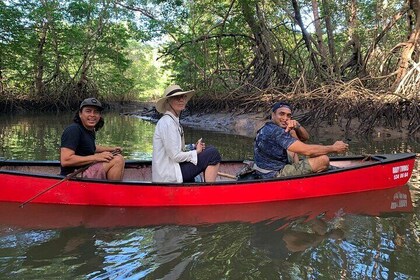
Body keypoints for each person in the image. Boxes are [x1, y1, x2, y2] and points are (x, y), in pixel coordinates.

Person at [253, 101, 349, 178]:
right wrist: (334, 148)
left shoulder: (268, 127)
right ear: (273, 115)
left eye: (288, 115)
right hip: (273, 174)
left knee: (292, 133)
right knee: (323, 160)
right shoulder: (276, 131)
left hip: (266, 168)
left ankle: (300, 168)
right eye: (281, 114)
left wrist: (297, 126)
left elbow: (305, 138)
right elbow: (308, 151)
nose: (285, 118)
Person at [152, 85, 221, 183]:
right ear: (168, 102)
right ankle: (209, 191)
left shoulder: (172, 121)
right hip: (169, 174)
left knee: (208, 149)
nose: (181, 100)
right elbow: (175, 156)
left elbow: (177, 149)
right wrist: (196, 152)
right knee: (213, 154)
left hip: (174, 168)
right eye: (177, 97)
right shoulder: (167, 123)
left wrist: (193, 147)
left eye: (183, 97)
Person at [60, 97, 125, 180]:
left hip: (86, 168)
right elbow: (65, 160)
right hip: (73, 175)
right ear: (80, 114)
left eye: (96, 112)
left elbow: (90, 147)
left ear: (99, 115)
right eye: (88, 111)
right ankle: (112, 191)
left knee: (117, 156)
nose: (92, 115)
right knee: (117, 160)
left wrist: (112, 149)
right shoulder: (73, 130)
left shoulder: (89, 130)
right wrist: (96, 157)